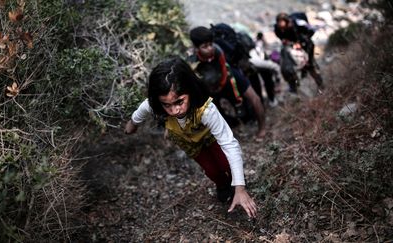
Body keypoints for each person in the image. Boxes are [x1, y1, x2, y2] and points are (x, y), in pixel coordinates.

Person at [124, 57, 257, 218]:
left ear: (190, 91)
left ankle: (236, 182)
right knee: (211, 170)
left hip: (209, 137)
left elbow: (229, 144)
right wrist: (131, 126)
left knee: (225, 162)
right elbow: (139, 114)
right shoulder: (154, 104)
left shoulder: (206, 110)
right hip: (190, 143)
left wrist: (240, 188)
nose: (174, 110)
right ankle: (222, 185)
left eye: (179, 102)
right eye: (167, 105)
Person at [187, 26, 266, 138]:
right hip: (209, 84)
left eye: (210, 44)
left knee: (254, 97)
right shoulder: (192, 60)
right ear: (196, 48)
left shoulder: (218, 49)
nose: (210, 48)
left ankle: (262, 128)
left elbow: (224, 69)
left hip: (228, 76)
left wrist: (222, 85)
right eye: (205, 47)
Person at [274, 12, 324, 93]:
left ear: (286, 21)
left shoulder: (298, 24)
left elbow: (310, 31)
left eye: (281, 22)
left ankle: (321, 84)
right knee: (288, 67)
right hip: (292, 49)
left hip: (306, 45)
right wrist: (287, 41)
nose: (280, 24)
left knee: (311, 66)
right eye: (278, 22)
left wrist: (300, 43)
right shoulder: (277, 29)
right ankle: (294, 88)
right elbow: (281, 38)